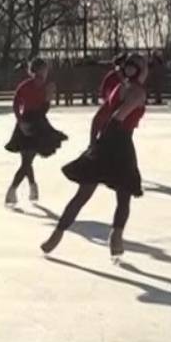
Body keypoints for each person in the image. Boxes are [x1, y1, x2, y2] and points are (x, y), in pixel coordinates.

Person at [41, 54, 148, 260]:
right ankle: (115, 236)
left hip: (105, 141)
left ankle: (58, 235)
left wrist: (94, 142)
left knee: (85, 194)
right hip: (120, 143)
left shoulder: (120, 87)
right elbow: (117, 117)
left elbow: (99, 117)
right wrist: (100, 140)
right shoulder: (136, 91)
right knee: (122, 195)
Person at [4, 57, 67, 206]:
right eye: (43, 70)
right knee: (26, 160)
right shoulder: (25, 85)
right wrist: (20, 121)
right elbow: (16, 104)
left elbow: (43, 110)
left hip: (38, 123)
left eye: (46, 70)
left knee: (27, 160)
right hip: (26, 122)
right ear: (36, 71)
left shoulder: (47, 86)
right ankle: (22, 188)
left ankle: (22, 188)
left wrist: (48, 98)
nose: (45, 72)